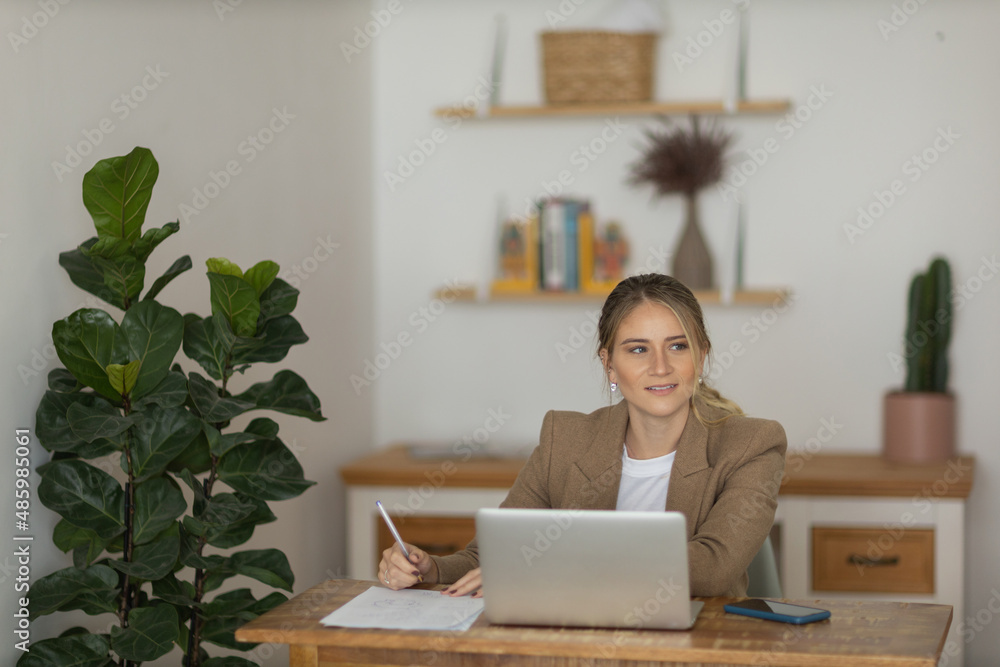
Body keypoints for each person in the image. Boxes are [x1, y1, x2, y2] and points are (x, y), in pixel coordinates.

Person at [380, 273, 787, 598]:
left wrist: (542, 568)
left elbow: (711, 569)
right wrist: (429, 569)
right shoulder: (565, 439)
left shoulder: (752, 445)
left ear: (702, 355)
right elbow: (492, 558)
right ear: (609, 365)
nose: (661, 367)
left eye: (677, 346)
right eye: (638, 349)